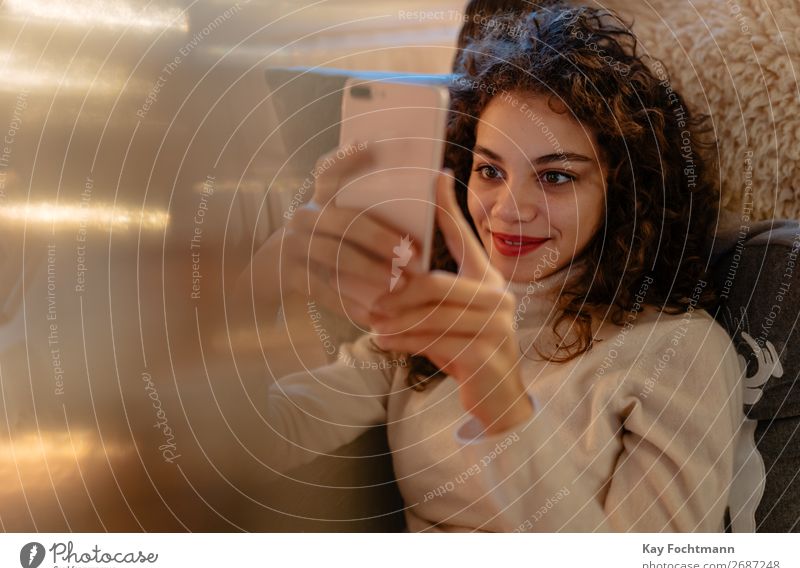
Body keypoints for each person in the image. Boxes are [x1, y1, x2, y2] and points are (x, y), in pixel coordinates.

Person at [242, 6, 744, 532]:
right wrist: (259, 281)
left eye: (555, 177)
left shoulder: (680, 352)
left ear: (624, 192)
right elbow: (261, 441)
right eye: (489, 170)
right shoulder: (437, 313)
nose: (508, 210)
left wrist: (501, 405)